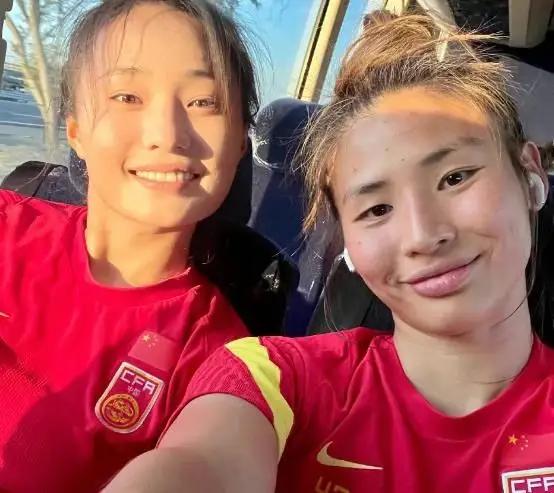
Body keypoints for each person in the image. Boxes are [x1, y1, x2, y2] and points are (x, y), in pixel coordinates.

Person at [104, 13, 554, 493]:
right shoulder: (275, 378)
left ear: (530, 176)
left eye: (455, 178)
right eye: (377, 209)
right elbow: (200, 464)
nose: (423, 235)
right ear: (348, 245)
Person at [0, 0, 259, 490]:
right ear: (76, 130)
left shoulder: (220, 360)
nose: (168, 135)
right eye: (127, 96)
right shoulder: (5, 227)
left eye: (204, 102)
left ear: (241, 140)